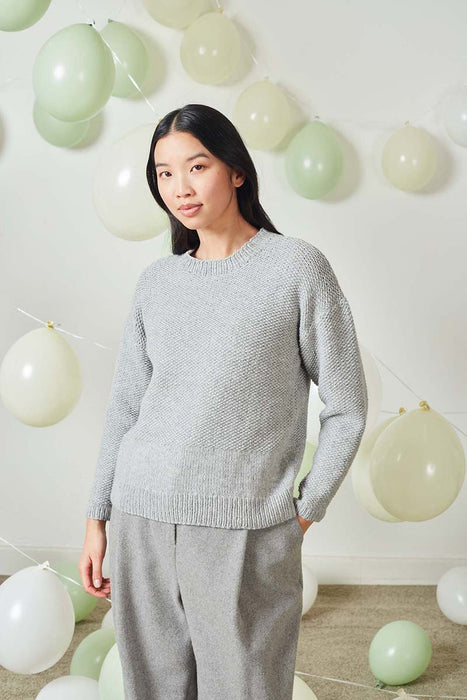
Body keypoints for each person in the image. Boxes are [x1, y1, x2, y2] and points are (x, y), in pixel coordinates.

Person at [79, 103, 368, 699]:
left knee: (247, 688)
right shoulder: (157, 283)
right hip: (142, 518)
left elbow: (347, 406)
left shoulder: (297, 268)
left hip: (245, 529)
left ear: (236, 170)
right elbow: (126, 407)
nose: (179, 188)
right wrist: (97, 517)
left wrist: (305, 510)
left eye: (197, 166)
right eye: (164, 173)